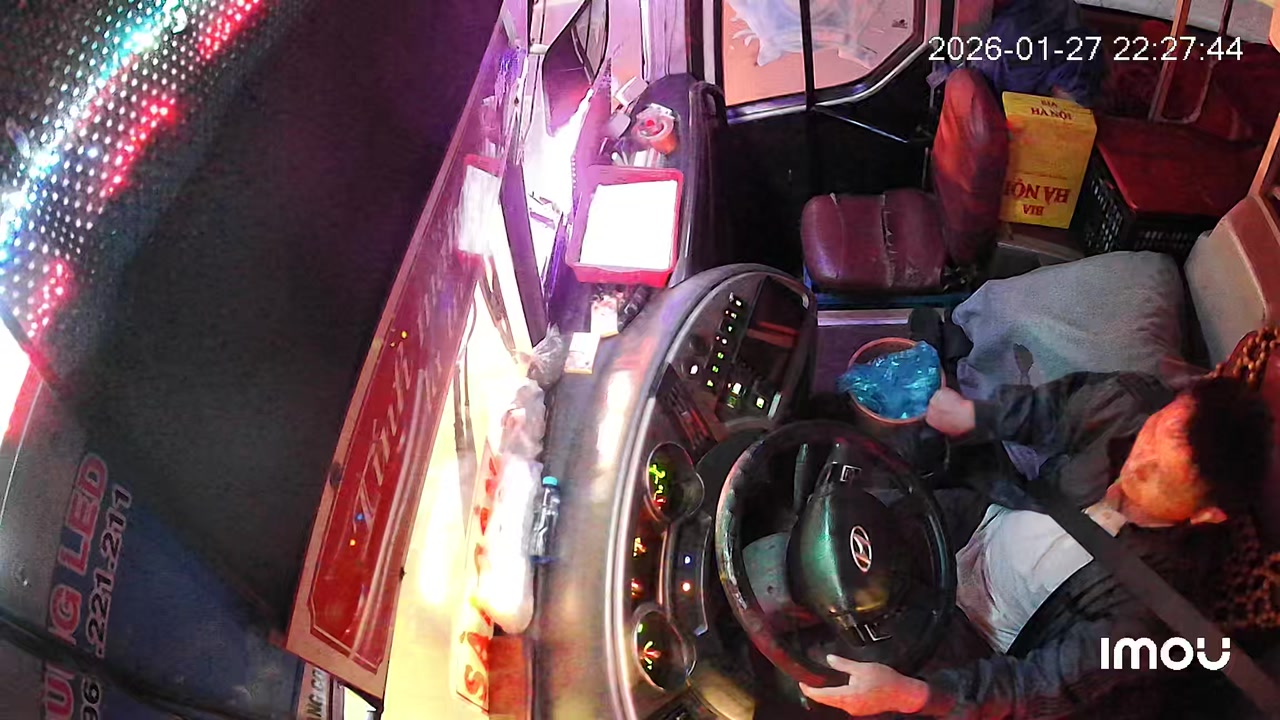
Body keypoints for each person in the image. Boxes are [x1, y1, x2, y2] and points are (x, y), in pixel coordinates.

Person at [799, 372, 1273, 718]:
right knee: (843, 516)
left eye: (1161, 477)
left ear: (1207, 515)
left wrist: (911, 695)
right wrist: (975, 416)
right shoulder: (1131, 404)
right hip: (983, 520)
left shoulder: (1150, 622)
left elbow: (1042, 686)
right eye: (1151, 437)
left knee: (827, 675)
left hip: (987, 634)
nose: (1134, 465)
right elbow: (1055, 410)